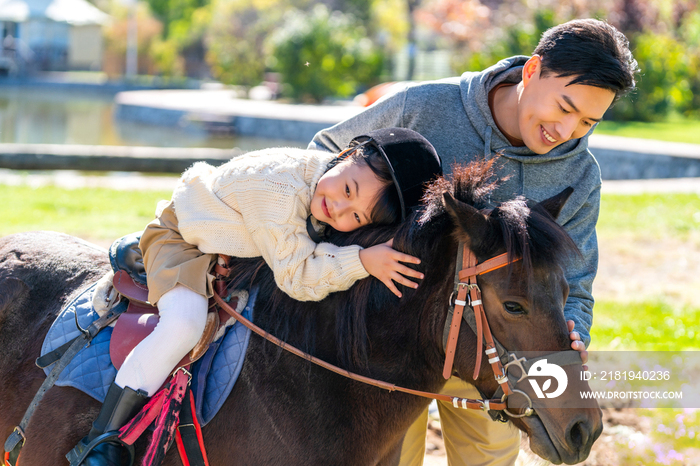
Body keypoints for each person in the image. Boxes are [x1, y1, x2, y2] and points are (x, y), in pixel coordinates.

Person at [309, 18, 639, 466]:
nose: (567, 130)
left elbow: (575, 282)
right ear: (531, 71)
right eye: (564, 107)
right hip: (389, 343)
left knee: (488, 459)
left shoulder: (579, 176)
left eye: (587, 121)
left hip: (492, 352)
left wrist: (571, 330)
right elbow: (324, 154)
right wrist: (340, 255)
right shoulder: (422, 106)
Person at [68, 127, 443, 465]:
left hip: (235, 248)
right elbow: (297, 276)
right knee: (184, 323)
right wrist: (362, 260)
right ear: (347, 155)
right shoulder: (279, 191)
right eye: (348, 190)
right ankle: (103, 440)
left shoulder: (323, 184)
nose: (340, 209)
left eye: (357, 219)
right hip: (182, 241)